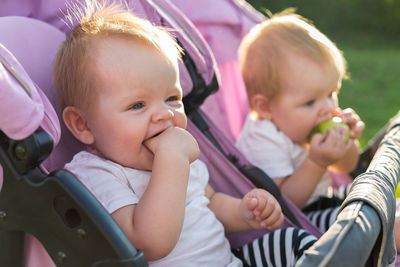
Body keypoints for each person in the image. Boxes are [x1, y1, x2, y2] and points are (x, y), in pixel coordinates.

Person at [53, 1, 317, 266]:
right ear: (83, 125)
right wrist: (173, 162)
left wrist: (243, 212)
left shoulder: (174, 154)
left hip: (229, 261)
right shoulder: (97, 175)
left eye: (172, 98)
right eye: (137, 105)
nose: (165, 115)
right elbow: (149, 243)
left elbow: (209, 202)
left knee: (297, 243)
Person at [235, 9, 400, 251]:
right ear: (265, 107)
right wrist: (316, 161)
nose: (326, 108)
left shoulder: (304, 122)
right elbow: (286, 204)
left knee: (387, 201)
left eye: (331, 94)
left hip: (326, 200)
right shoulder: (262, 138)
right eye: (310, 102)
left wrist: (345, 143)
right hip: (300, 222)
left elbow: (344, 168)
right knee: (391, 225)